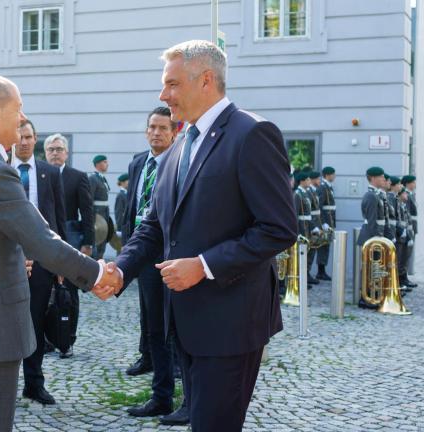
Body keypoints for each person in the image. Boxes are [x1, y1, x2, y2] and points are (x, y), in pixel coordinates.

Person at [104, 40, 297, 431]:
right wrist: (121, 270)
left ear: (206, 80)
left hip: (231, 322)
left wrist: (205, 266)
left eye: (172, 84)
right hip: (185, 323)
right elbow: (156, 225)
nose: (163, 95)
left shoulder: (252, 134)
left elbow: (278, 228)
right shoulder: (180, 145)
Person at [0, 73, 118, 432]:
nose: (22, 118)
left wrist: (13, 257)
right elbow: (42, 240)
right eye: (17, 109)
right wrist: (96, 275)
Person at [119, 106, 184, 422]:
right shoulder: (137, 163)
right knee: (154, 328)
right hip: (143, 255)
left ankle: (190, 398)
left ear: (174, 132)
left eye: (163, 128)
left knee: (180, 328)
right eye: (152, 127)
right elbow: (132, 207)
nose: (157, 132)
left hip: (174, 257)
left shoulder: (181, 163)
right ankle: (161, 396)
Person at [12, 119, 69, 403]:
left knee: (35, 322)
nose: (23, 141)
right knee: (6, 322)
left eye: (28, 137)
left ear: (36, 140)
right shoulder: (0, 169)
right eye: (19, 136)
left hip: (42, 260)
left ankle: (34, 383)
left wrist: (60, 262)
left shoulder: (49, 173)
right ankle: (4, 385)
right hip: (7, 257)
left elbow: (58, 219)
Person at [44, 133, 94, 358]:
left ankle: (68, 340)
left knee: (69, 293)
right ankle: (47, 339)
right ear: (45, 153)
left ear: (66, 153)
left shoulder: (77, 177)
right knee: (44, 291)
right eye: (51, 149)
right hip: (43, 239)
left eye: (59, 149)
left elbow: (88, 211)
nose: (55, 153)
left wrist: (88, 242)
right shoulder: (40, 175)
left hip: (72, 239)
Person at [357, 166, 387, 309]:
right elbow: (372, 220)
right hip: (371, 236)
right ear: (373, 178)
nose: (383, 179)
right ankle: (364, 298)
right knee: (369, 268)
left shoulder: (376, 194)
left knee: (374, 267)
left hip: (374, 236)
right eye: (381, 177)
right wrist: (377, 239)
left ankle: (372, 295)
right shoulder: (371, 195)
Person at [89, 155, 112, 258]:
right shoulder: (93, 178)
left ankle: (100, 263)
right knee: (97, 241)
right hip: (97, 213)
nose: (107, 164)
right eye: (105, 162)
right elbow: (89, 198)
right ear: (98, 164)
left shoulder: (101, 178)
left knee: (103, 239)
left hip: (104, 212)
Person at [316, 166, 336, 280]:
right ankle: (320, 271)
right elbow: (319, 206)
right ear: (327, 175)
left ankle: (322, 270)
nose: (334, 176)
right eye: (333, 174)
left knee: (326, 245)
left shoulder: (329, 187)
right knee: (323, 246)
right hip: (326, 222)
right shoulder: (323, 188)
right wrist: (323, 222)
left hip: (330, 221)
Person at [397, 186, 416, 289]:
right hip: (400, 235)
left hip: (406, 234)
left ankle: (403, 279)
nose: (406, 195)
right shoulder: (398, 204)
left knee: (404, 259)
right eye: (404, 193)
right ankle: (400, 281)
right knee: (399, 260)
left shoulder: (403, 205)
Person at [401, 175, 418, 286]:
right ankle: (402, 278)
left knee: (407, 255)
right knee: (404, 255)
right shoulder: (405, 195)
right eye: (413, 182)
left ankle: (404, 277)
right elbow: (406, 214)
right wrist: (408, 231)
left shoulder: (411, 194)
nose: (415, 184)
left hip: (412, 228)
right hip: (408, 229)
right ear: (407, 183)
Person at [306, 171, 322, 284]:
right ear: (312, 180)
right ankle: (305, 274)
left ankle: (308, 273)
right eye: (317, 179)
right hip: (310, 225)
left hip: (315, 224)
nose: (319, 181)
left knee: (313, 249)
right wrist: (313, 226)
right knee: (309, 251)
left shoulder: (313, 191)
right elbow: (307, 212)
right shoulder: (307, 192)